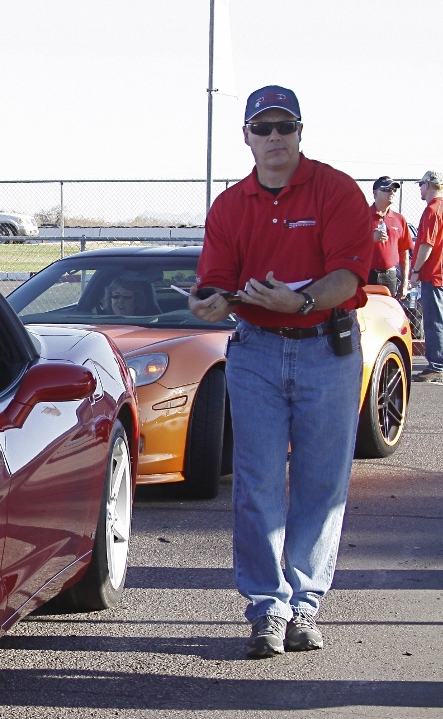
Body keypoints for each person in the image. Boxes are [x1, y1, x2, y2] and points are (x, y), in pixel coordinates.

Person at [190, 85, 373, 659]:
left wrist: (301, 301)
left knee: (322, 482)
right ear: (246, 136)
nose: (274, 138)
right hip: (257, 352)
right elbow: (215, 280)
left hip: (328, 350)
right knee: (258, 482)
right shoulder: (230, 205)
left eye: (284, 127)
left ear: (299, 132)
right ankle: (268, 607)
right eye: (263, 128)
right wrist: (209, 302)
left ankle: (305, 604)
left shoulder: (336, 190)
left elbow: (349, 275)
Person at [410, 170, 443, 382]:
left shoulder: (432, 209)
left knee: (433, 321)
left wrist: (415, 271)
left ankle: (437, 365)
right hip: (440, 273)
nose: (420, 189)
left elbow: (426, 245)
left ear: (428, 185)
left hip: (433, 274)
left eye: (421, 185)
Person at [368, 176, 412, 298]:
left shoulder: (399, 219)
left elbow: (404, 252)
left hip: (389, 276)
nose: (391, 192)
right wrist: (371, 238)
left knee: (387, 308)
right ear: (375, 193)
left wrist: (404, 283)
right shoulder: (363, 216)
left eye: (393, 190)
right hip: (366, 274)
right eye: (386, 189)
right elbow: (350, 245)